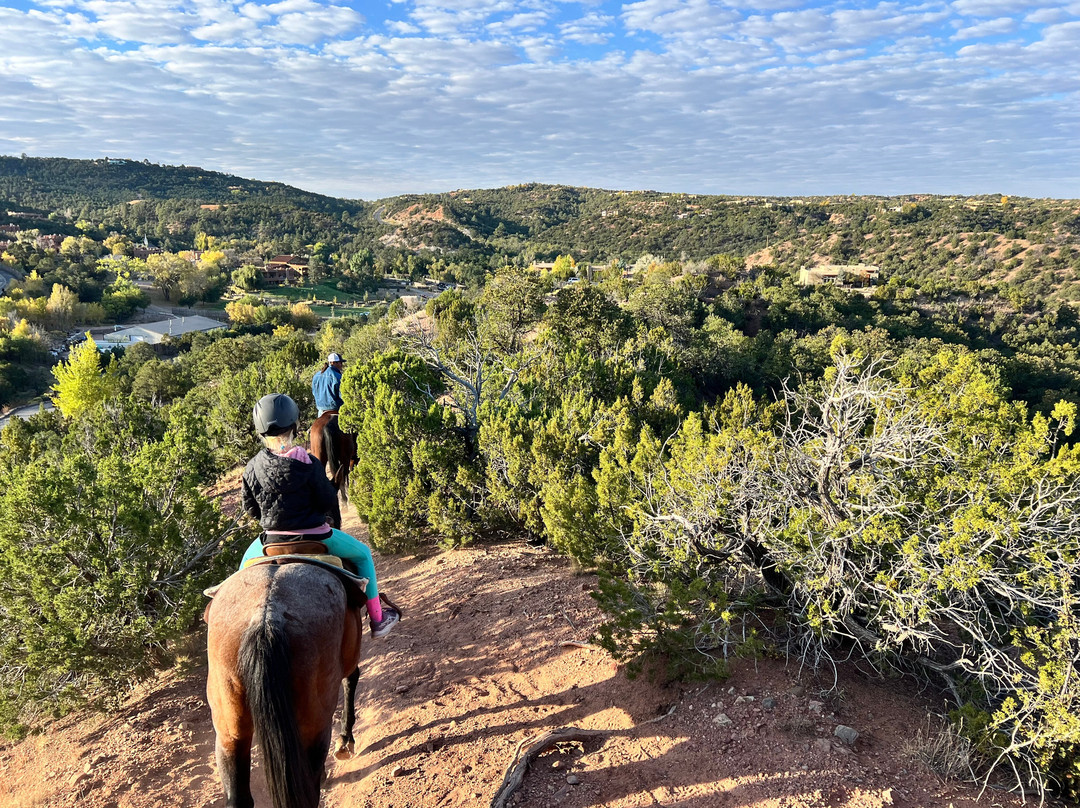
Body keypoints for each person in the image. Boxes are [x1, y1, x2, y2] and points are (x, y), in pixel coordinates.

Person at [240, 393, 400, 638]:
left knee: (241, 574)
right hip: (316, 536)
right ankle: (378, 619)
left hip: (271, 541)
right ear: (294, 427)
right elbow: (327, 501)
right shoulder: (308, 462)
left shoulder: (251, 467)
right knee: (363, 555)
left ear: (260, 431)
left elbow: (250, 508)